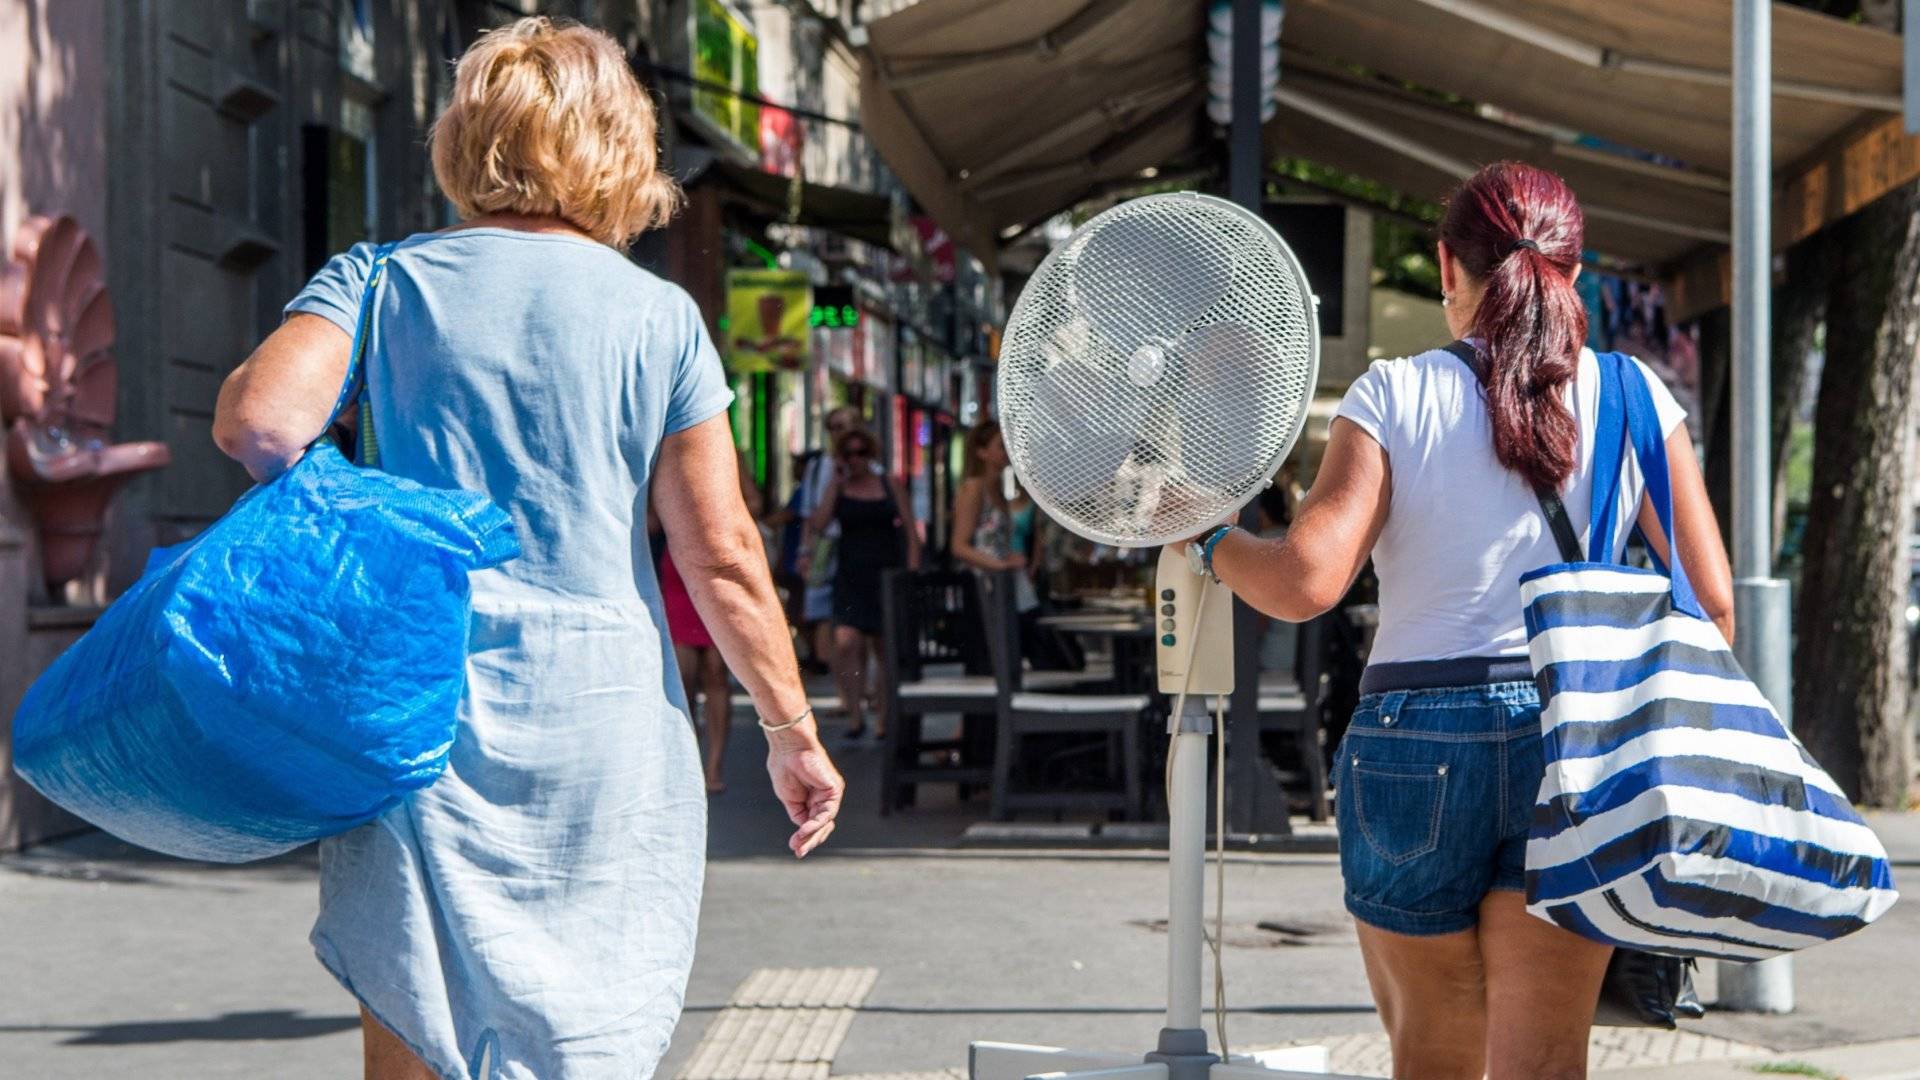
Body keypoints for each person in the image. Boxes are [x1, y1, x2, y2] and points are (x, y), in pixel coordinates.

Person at [210, 18, 843, 1079]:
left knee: (414, 1016)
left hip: (418, 701)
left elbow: (259, 426)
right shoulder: (661, 319)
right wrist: (791, 729)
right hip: (602, 716)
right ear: (618, 148)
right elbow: (722, 554)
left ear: (468, 138)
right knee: (586, 1027)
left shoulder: (382, 282)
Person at [1182, 161, 1733, 1079]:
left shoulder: (1395, 393)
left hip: (1414, 742)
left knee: (1433, 1057)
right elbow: (1710, 601)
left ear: (1448, 266)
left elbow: (1307, 581)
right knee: (1546, 1064)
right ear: (1574, 270)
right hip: (1576, 743)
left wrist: (1209, 538)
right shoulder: (1635, 396)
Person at [804, 425, 920, 740]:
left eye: (861, 453)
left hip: (885, 572)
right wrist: (835, 484)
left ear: (871, 454)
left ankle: (883, 716)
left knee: (883, 648)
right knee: (847, 643)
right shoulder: (839, 488)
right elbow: (819, 523)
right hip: (850, 573)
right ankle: (856, 713)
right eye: (848, 454)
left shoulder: (889, 484)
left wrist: (911, 571)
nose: (856, 459)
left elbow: (910, 530)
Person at [659, 450, 764, 795]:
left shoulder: (726, 455)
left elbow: (754, 503)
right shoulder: (660, 453)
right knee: (683, 678)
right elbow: (646, 520)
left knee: (717, 673)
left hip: (714, 567)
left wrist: (719, 508)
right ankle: (685, 760)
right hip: (676, 570)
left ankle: (714, 765)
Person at [950, 420, 1037, 613]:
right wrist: (1001, 565)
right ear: (982, 452)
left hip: (999, 583)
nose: (1006, 451)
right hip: (980, 584)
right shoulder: (974, 488)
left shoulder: (998, 491)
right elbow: (959, 546)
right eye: (1001, 445)